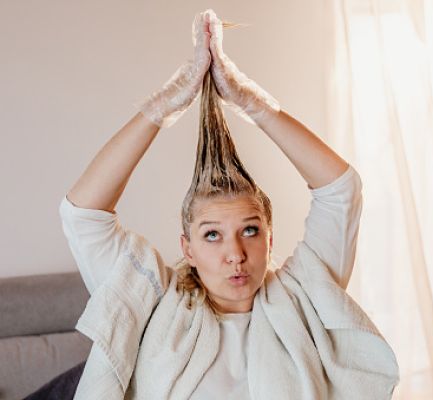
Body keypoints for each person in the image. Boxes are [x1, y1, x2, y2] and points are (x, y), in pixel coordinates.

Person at [59, 9, 399, 399]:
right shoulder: (149, 299)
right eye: (212, 235)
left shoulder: (304, 295)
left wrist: (250, 101)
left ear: (270, 241)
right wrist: (165, 104)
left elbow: (340, 189)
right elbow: (83, 213)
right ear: (187, 248)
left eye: (249, 231)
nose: (235, 254)